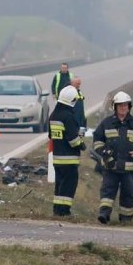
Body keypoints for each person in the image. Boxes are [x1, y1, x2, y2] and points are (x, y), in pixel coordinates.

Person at [93, 91, 133, 225]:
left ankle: (126, 219)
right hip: (110, 166)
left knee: (129, 193)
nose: (123, 108)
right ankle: (104, 215)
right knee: (107, 191)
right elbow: (97, 141)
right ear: (115, 107)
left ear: (129, 107)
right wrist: (104, 151)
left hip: (128, 169)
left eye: (125, 106)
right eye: (120, 106)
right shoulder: (106, 123)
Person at [49, 85, 84, 216]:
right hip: (69, 159)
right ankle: (64, 211)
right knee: (68, 186)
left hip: (57, 157)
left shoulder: (53, 115)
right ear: (72, 101)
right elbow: (73, 140)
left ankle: (57, 210)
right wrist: (81, 143)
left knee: (59, 185)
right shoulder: (68, 116)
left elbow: (51, 135)